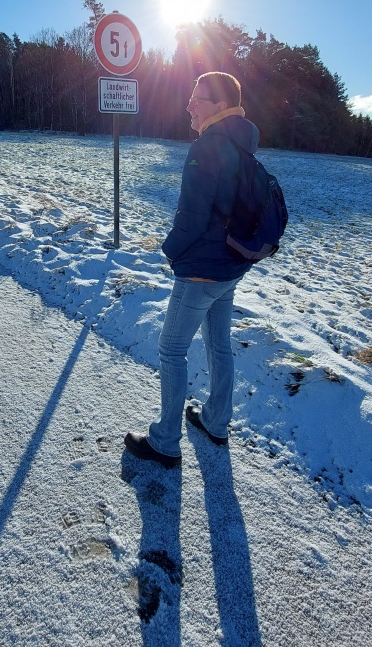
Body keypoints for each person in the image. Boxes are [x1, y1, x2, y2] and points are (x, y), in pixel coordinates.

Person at [125, 71, 260, 468]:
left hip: (201, 269)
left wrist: (169, 251)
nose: (188, 105)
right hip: (232, 266)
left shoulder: (208, 146)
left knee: (171, 349)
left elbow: (192, 216)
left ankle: (165, 440)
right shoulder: (243, 142)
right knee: (219, 345)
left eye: (196, 99)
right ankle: (216, 422)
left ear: (218, 107)